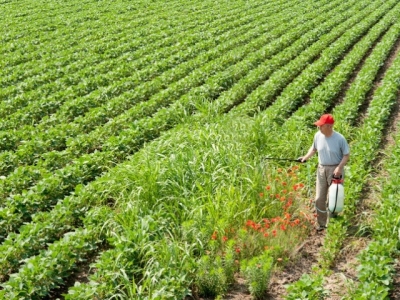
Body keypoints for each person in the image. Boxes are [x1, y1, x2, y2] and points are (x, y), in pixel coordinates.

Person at [299, 114, 350, 231]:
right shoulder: (318, 136)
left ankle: (332, 223)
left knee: (333, 198)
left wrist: (339, 167)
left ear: (328, 126)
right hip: (321, 169)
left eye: (321, 126)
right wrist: (305, 158)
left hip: (335, 170)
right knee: (319, 198)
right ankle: (322, 223)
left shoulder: (340, 139)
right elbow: (313, 149)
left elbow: (346, 155)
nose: (319, 128)